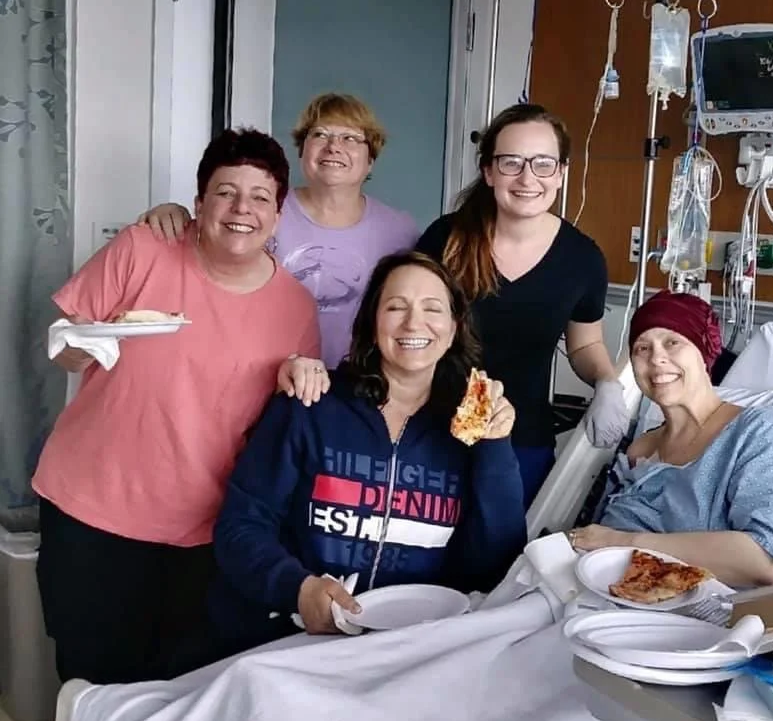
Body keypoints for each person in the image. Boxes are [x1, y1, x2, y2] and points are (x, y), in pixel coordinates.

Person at [33, 128, 321, 685]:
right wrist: (91, 338)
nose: (242, 209)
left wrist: (303, 377)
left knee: (177, 684)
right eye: (225, 192)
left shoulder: (295, 307)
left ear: (279, 213)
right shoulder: (143, 249)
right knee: (91, 677)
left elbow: (289, 416)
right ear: (198, 203)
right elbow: (64, 350)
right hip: (93, 510)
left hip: (206, 531)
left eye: (260, 197)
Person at [180, 251, 527, 667]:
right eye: (395, 307)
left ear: (453, 329)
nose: (413, 323)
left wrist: (495, 447)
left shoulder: (469, 431)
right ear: (371, 323)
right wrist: (297, 588)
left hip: (404, 652)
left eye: (432, 309)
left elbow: (495, 566)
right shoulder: (311, 405)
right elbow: (241, 527)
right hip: (283, 641)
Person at [415, 103, 629, 507]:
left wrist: (606, 382)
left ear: (562, 173)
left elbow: (583, 345)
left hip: (522, 441)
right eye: (511, 162)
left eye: (543, 164)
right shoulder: (445, 240)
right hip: (432, 431)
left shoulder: (581, 259)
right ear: (489, 171)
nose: (528, 177)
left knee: (503, 561)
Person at [568, 291, 773, 586]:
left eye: (672, 342)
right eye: (642, 348)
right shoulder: (637, 449)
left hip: (709, 619)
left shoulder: (757, 432)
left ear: (704, 354)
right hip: (604, 599)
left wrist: (625, 541)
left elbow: (770, 563)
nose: (656, 358)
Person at [138, 92, 419, 372]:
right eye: (320, 134)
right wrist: (175, 213)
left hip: (360, 385)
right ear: (302, 150)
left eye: (350, 138)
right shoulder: (260, 211)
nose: (333, 146)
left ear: (370, 160)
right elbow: (209, 251)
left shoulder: (400, 231)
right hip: (260, 377)